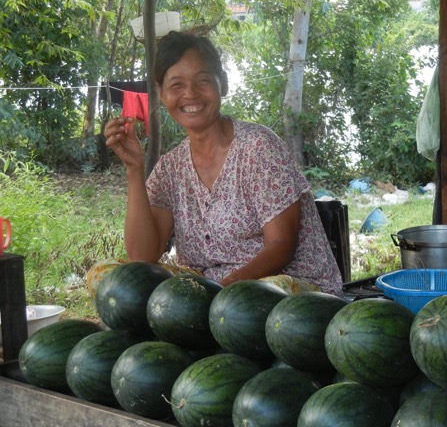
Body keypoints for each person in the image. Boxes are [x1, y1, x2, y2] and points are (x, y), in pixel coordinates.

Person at [104, 31, 344, 297]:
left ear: (224, 84)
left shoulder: (258, 147)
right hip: (215, 298)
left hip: (288, 292)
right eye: (176, 85)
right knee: (110, 276)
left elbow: (281, 244)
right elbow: (141, 256)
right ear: (161, 94)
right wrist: (134, 170)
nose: (190, 94)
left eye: (203, 80)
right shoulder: (170, 169)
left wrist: (222, 292)